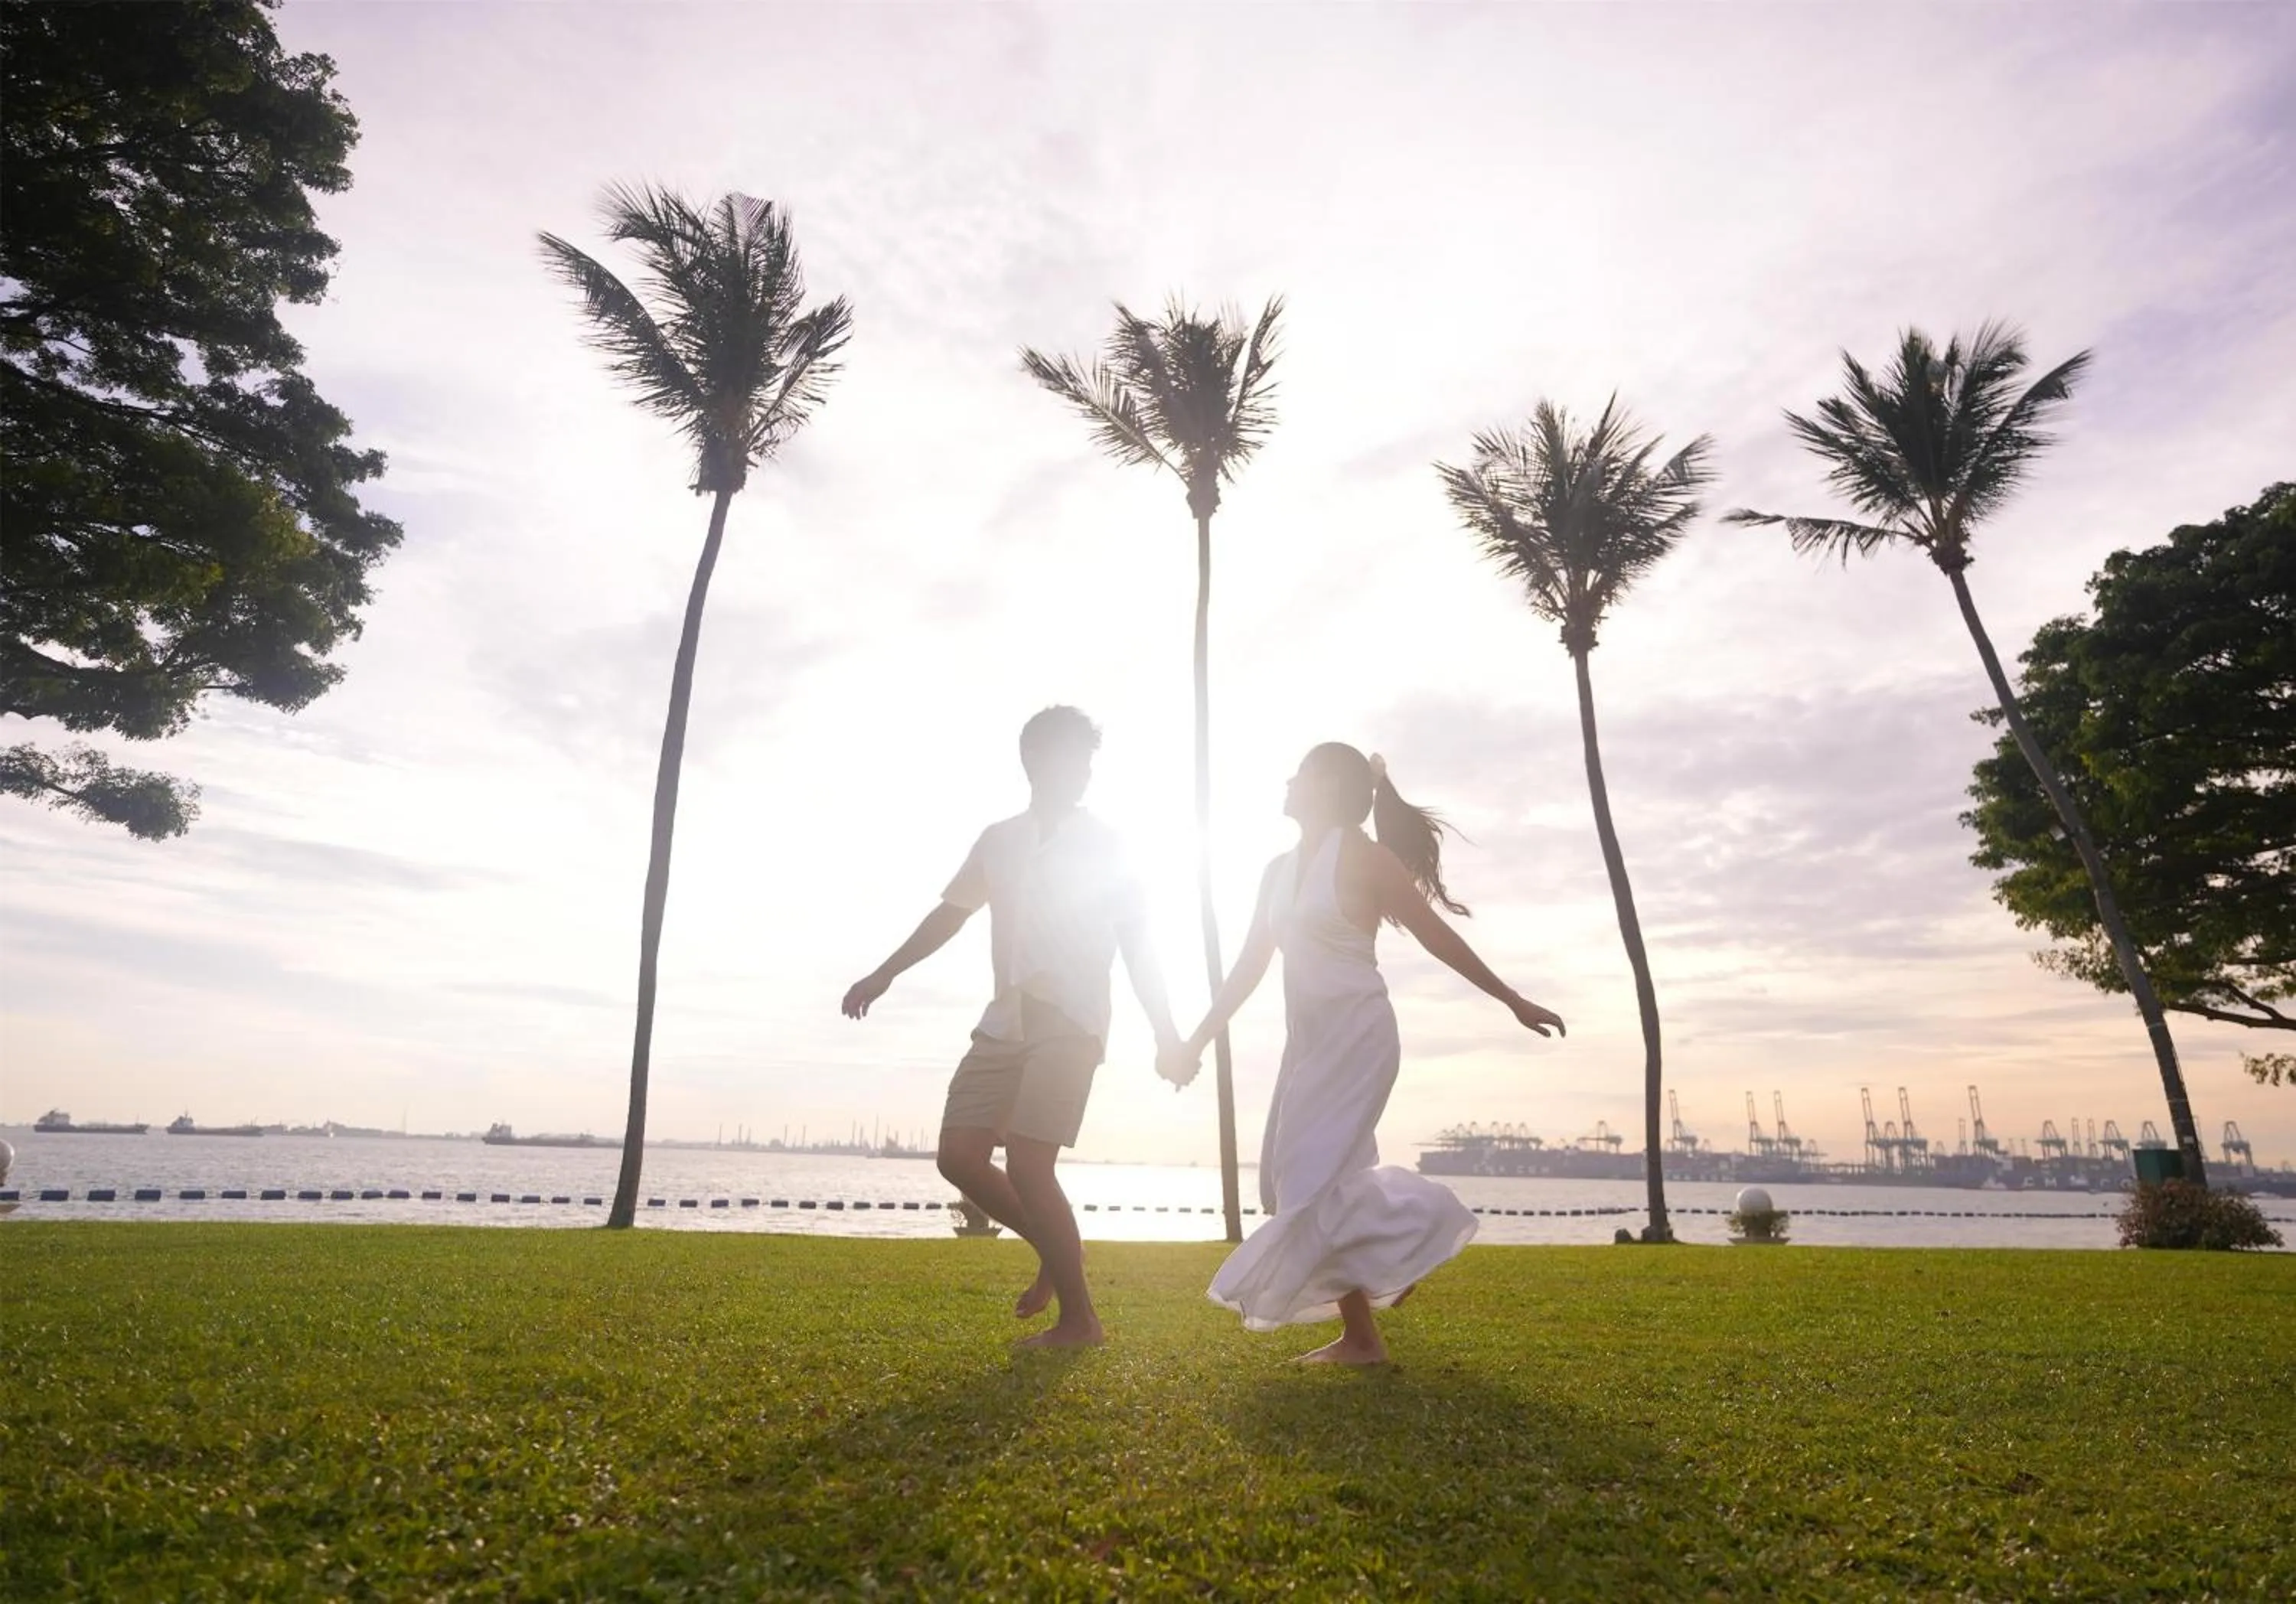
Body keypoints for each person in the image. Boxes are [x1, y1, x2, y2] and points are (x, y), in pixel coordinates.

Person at [1161, 743, 1564, 1364]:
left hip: (1359, 1037)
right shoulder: (1276, 871)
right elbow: (1248, 967)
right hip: (1308, 1042)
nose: (1289, 780)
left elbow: (1436, 936)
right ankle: (1369, 1317)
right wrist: (1195, 1040)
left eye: (1301, 772)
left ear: (1326, 784)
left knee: (1307, 1179)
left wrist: (1512, 999)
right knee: (1290, 1184)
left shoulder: (1367, 859)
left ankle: (1408, 1247)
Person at [843, 706, 1182, 1348]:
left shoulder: (1109, 844)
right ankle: (1056, 1251)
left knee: (1029, 1164)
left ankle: (1080, 1322)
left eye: (1087, 762)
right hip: (1005, 1019)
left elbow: (1139, 944)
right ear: (1032, 760)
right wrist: (884, 973)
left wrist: (1165, 1033)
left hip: (1073, 1021)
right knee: (959, 1156)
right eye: (1070, 758)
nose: (1082, 773)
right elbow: (951, 914)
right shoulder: (999, 840)